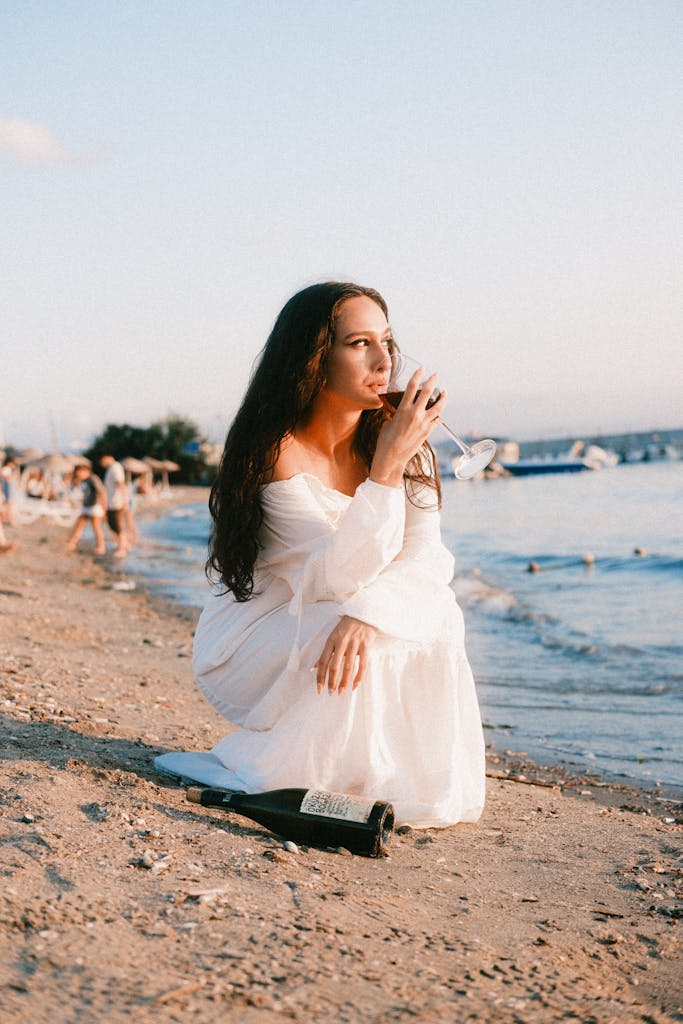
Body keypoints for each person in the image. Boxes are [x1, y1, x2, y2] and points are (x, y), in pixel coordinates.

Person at [156, 282, 485, 828]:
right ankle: (315, 769)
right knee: (355, 621)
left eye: (386, 340)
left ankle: (388, 775)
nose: (384, 361)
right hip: (259, 636)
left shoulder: (405, 441)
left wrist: (368, 614)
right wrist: (385, 471)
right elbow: (341, 575)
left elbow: (427, 556)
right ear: (313, 358)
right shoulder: (274, 455)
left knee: (436, 615)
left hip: (332, 612)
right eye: (359, 343)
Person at [66, 464, 107, 555]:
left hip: (95, 506)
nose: (78, 475)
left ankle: (101, 546)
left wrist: (104, 508)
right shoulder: (83, 480)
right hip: (86, 505)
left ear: (85, 471)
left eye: (79, 473)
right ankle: (73, 542)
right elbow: (72, 485)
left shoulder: (93, 478)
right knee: (79, 524)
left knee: (96, 527)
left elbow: (102, 492)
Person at [100, 455, 129, 558]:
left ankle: (122, 548)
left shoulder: (116, 467)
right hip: (112, 502)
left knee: (118, 526)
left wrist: (125, 501)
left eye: (102, 461)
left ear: (107, 458)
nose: (101, 464)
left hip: (116, 502)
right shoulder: (112, 468)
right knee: (114, 526)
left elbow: (120, 484)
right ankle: (124, 545)